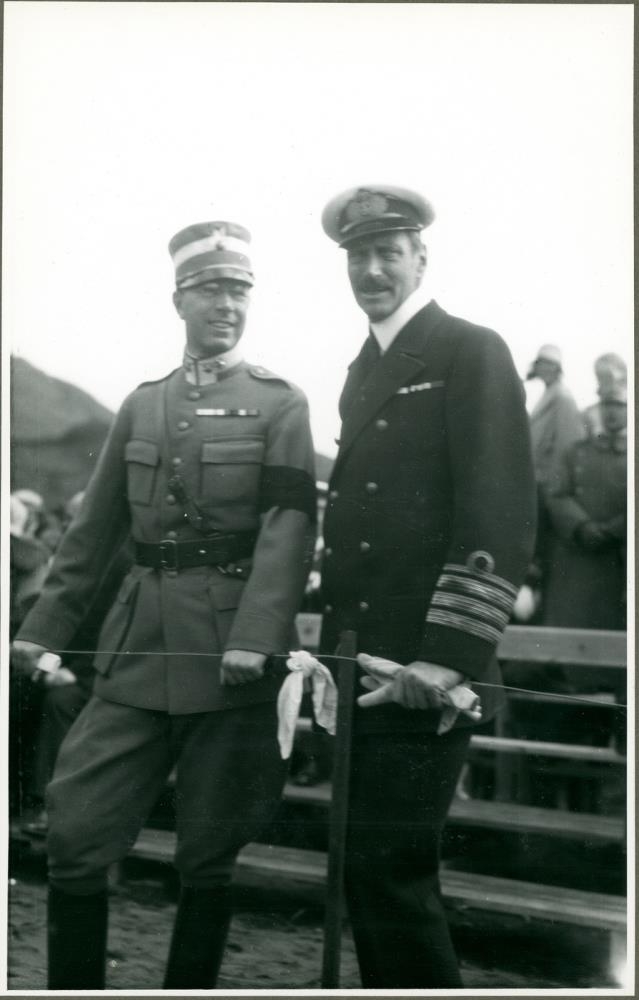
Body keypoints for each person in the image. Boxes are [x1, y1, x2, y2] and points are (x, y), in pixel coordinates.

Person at [11, 219, 317, 990]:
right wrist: (41, 629)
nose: (226, 305)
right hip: (138, 647)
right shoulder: (142, 405)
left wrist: (256, 634)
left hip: (231, 657)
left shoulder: (280, 404)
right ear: (179, 298)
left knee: (209, 852)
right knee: (76, 829)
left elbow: (288, 528)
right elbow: (93, 531)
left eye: (239, 290)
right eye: (210, 289)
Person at [318, 185, 536, 988]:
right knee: (368, 874)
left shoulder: (467, 349)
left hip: (421, 667)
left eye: (388, 252)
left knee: (392, 876)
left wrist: (446, 657)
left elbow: (497, 511)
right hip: (362, 663)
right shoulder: (361, 369)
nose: (372, 270)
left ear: (420, 258)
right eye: (357, 256)